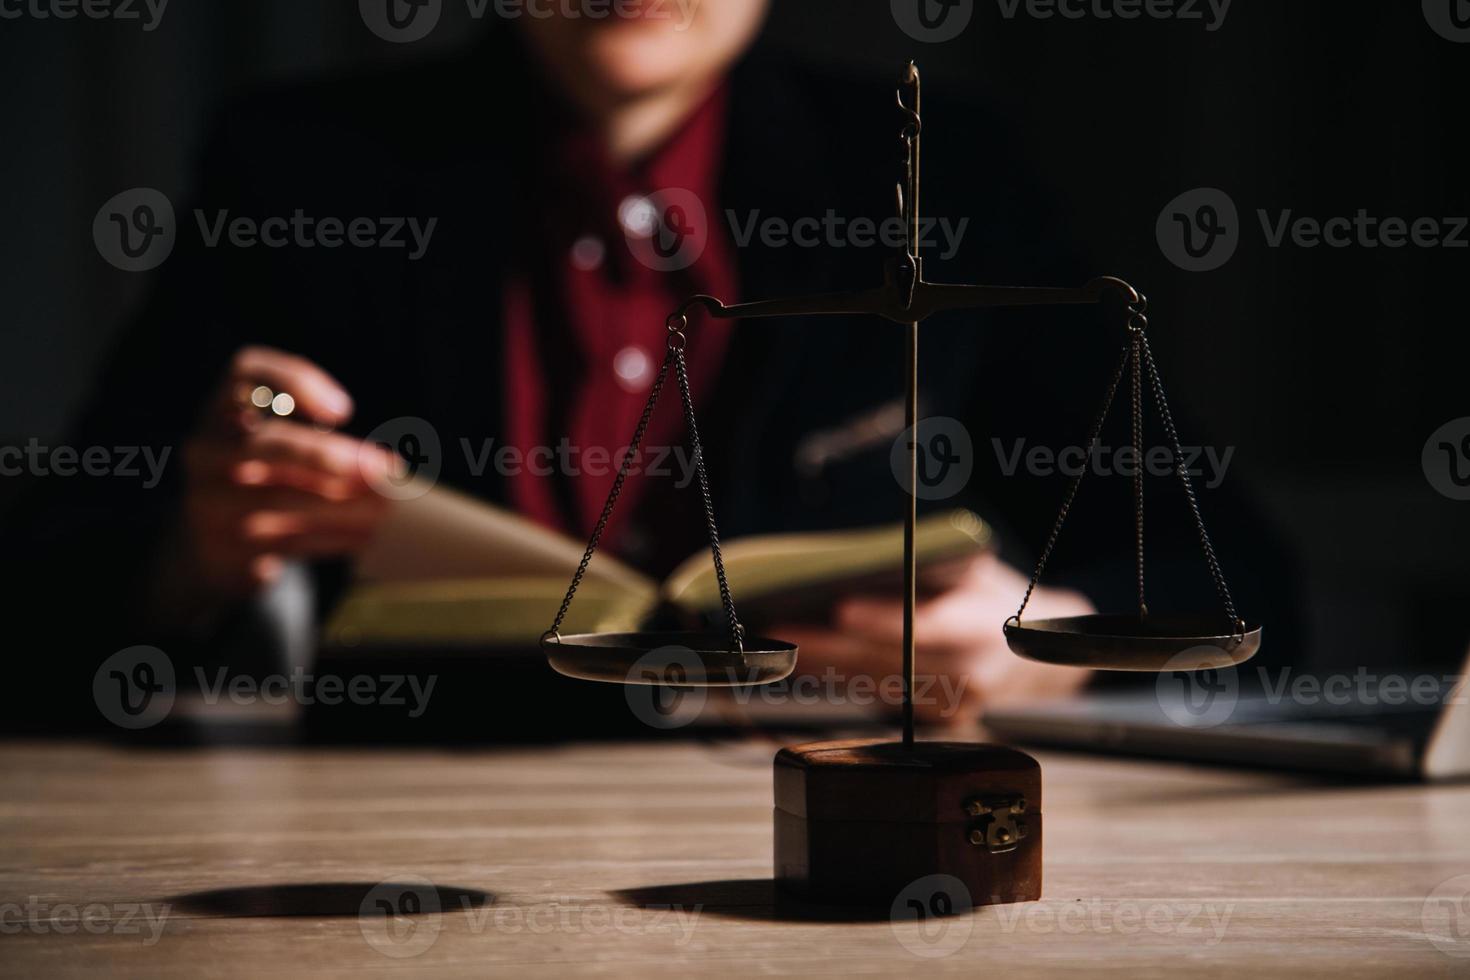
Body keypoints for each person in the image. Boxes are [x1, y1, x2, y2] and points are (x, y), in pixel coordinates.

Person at [2, 1, 1292, 732]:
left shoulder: (935, 168)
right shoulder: (310, 165)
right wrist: (194, 550)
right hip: (409, 840)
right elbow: (46, 587)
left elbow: (1237, 578)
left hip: (836, 844)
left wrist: (1032, 634)